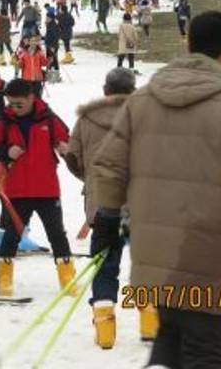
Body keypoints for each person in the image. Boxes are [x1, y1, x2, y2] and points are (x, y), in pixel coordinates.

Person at [92, 11, 221, 369]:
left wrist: (109, 219)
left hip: (152, 253)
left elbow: (108, 166)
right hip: (206, 253)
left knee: (171, 337)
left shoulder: (142, 100)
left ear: (189, 45)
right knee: (205, 348)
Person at [65, 68, 138, 349]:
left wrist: (91, 180)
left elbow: (73, 158)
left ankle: (105, 330)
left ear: (105, 90)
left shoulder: (87, 118)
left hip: (103, 204)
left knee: (105, 266)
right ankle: (150, 322)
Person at [0, 79, 75, 297]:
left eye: (19, 104)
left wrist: (65, 148)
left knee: (57, 233)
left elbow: (67, 139)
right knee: (12, 235)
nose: (14, 108)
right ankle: (4, 276)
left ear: (31, 98)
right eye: (11, 103)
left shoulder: (49, 118)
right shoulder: (5, 121)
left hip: (46, 188)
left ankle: (67, 276)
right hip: (18, 189)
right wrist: (7, 152)